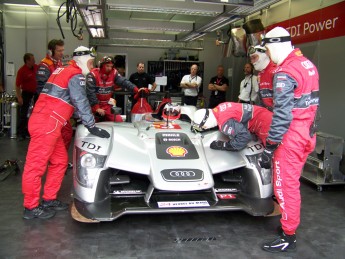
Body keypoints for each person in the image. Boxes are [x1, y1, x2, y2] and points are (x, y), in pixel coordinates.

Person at [22, 46, 111, 220]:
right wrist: (91, 125)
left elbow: (67, 100)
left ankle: (48, 199)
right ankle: (30, 207)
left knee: (60, 161)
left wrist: (83, 117)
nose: (92, 66)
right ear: (83, 60)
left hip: (50, 122)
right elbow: (79, 99)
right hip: (47, 123)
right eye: (91, 61)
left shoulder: (63, 70)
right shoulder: (75, 74)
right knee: (36, 166)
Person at [259, 27, 319, 253]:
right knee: (292, 183)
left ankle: (288, 235)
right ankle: (289, 226)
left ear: (275, 45)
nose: (267, 53)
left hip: (291, 136)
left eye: (267, 48)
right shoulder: (307, 64)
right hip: (308, 132)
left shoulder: (285, 72)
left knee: (285, 186)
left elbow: (282, 115)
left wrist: (270, 146)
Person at [36, 39, 73, 156]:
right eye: (59, 51)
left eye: (62, 50)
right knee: (54, 135)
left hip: (59, 105)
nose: (62, 53)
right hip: (50, 107)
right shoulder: (44, 65)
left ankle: (59, 158)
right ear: (51, 51)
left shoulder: (59, 63)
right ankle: (54, 159)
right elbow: (41, 90)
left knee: (66, 132)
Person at [192, 102, 273, 150]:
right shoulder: (220, 106)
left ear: (206, 121)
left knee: (274, 156)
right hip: (265, 115)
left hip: (265, 125)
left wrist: (224, 145)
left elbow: (244, 136)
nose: (205, 128)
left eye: (203, 126)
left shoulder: (224, 123)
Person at [86, 56, 139, 122]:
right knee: (90, 123)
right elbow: (90, 93)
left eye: (111, 66)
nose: (110, 68)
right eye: (107, 66)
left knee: (119, 121)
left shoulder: (114, 73)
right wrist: (96, 107)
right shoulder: (92, 75)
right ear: (101, 66)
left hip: (107, 105)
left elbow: (123, 82)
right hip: (93, 106)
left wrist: (136, 89)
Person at [15, 53, 38, 141]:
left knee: (35, 114)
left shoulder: (36, 67)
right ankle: (21, 133)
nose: (34, 61)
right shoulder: (22, 71)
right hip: (26, 94)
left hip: (35, 93)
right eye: (32, 59)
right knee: (24, 114)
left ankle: (31, 132)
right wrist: (19, 97)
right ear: (27, 61)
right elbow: (17, 85)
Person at [248, 45, 276, 110]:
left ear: (263, 55)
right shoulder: (260, 74)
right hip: (267, 111)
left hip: (278, 113)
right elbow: (261, 98)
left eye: (254, 57)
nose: (252, 62)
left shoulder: (276, 71)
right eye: (251, 59)